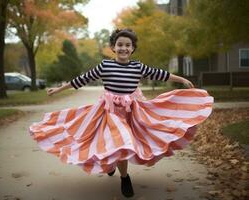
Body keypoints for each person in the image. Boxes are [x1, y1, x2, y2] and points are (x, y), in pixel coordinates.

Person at [29, 28, 213, 198]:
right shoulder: (105, 66)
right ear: (113, 47)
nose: (123, 48)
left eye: (127, 45)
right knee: (119, 141)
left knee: (124, 143)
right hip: (108, 112)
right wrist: (58, 90)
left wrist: (181, 79)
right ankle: (122, 174)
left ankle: (117, 170)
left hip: (131, 113)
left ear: (132, 49)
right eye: (120, 45)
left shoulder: (137, 67)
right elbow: (82, 79)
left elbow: (160, 74)